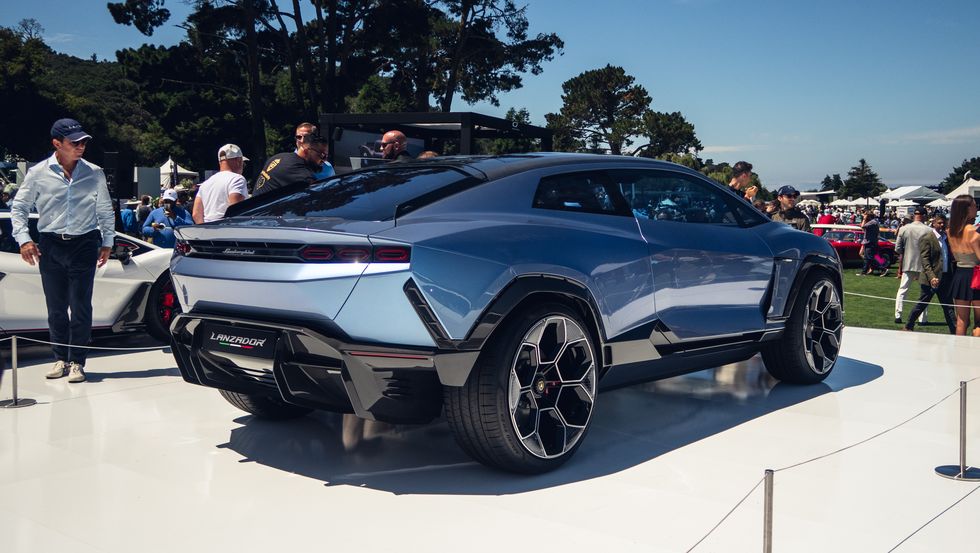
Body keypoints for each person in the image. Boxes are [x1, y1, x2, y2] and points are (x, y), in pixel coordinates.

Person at [10, 118, 115, 383]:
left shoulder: (94, 172)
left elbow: (104, 209)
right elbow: (19, 208)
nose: (81, 146)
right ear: (57, 144)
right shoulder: (38, 173)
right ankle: (59, 358)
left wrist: (107, 242)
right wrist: (24, 239)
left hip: (84, 243)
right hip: (51, 244)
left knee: (80, 306)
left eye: (83, 142)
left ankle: (78, 361)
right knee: (56, 307)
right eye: (74, 142)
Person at [904, 214, 956, 334]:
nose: (942, 225)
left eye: (944, 223)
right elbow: (925, 260)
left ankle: (954, 331)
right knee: (922, 303)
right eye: (939, 223)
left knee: (948, 306)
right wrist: (932, 277)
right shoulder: (927, 238)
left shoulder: (946, 238)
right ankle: (908, 325)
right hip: (930, 279)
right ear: (934, 223)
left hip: (945, 278)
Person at [893, 206, 934, 324]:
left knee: (903, 290)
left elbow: (898, 248)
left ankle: (898, 314)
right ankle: (923, 318)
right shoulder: (929, 230)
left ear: (914, 215)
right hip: (924, 265)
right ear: (924, 216)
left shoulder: (904, 228)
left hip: (908, 262)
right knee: (925, 293)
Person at [253, 134, 329, 197]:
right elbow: (321, 196)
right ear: (306, 150)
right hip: (264, 213)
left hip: (253, 210)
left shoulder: (278, 157)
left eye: (326, 155)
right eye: (322, 155)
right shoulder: (302, 174)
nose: (325, 160)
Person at [946, 195, 980, 336]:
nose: (976, 208)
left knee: (961, 320)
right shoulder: (972, 231)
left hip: (960, 275)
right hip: (976, 276)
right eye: (974, 205)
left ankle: (959, 352)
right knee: (979, 322)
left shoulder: (950, 231)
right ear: (967, 209)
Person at [193, 144, 250, 224]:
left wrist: (204, 230)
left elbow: (196, 214)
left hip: (207, 232)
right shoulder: (237, 179)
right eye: (243, 164)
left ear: (220, 162)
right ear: (239, 161)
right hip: (228, 231)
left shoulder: (206, 183)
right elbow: (235, 211)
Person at [857, 210, 882, 276]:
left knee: (871, 257)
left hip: (870, 242)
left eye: (865, 215)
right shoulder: (872, 222)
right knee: (867, 257)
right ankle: (864, 271)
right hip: (868, 241)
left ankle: (882, 268)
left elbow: (862, 226)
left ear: (868, 216)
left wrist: (864, 219)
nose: (864, 216)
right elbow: (863, 229)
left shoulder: (872, 222)